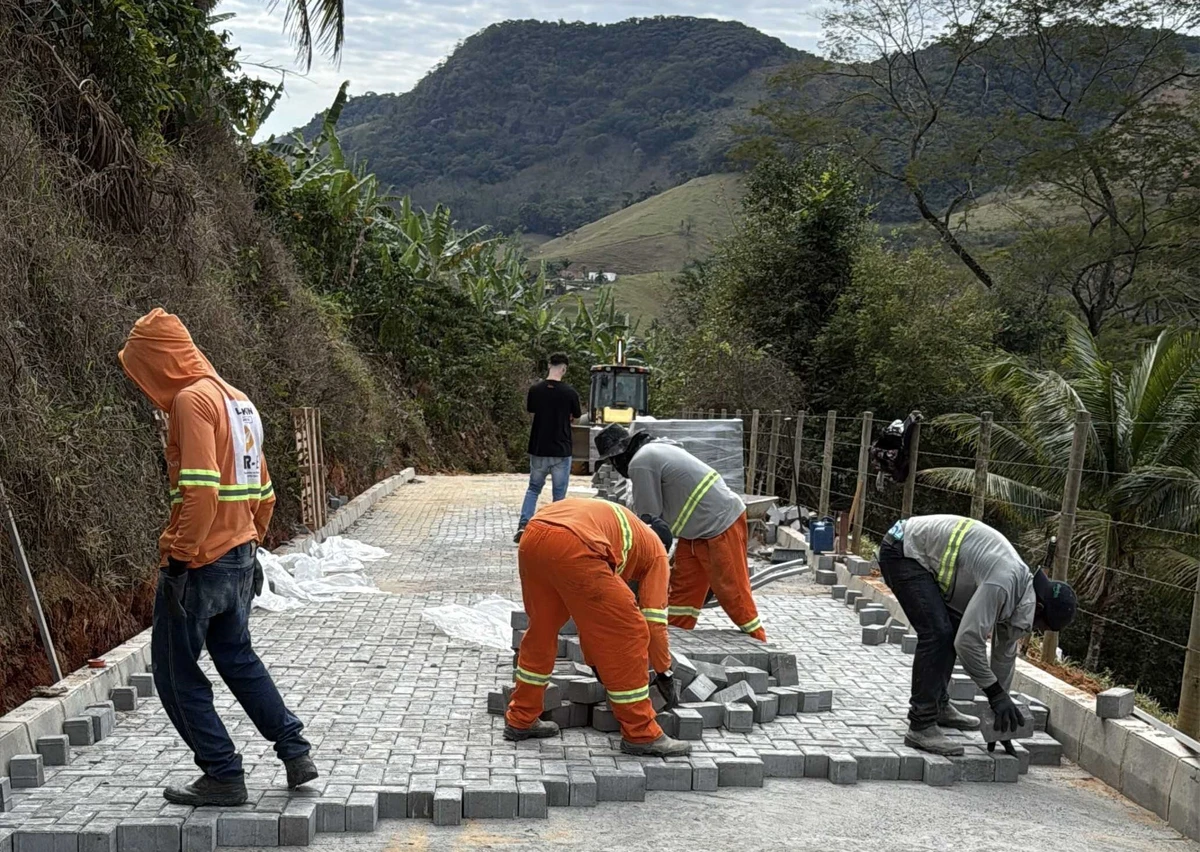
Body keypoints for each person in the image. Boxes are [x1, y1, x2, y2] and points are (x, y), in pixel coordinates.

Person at [119, 309, 316, 806]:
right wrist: (249, 543)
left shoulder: (191, 401)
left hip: (201, 564)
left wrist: (182, 559)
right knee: (237, 656)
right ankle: (294, 750)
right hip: (240, 555)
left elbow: (201, 490)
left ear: (161, 362)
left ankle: (223, 772)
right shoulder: (237, 401)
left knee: (174, 672)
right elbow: (264, 491)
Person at [876, 514, 1078, 756]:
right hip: (904, 551)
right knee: (939, 634)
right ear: (1040, 609)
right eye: (1041, 628)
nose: (1036, 632)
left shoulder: (1021, 594)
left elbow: (1004, 656)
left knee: (950, 629)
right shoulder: (1005, 583)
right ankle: (921, 724)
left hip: (921, 556)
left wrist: (999, 723)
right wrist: (994, 695)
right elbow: (968, 641)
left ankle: (938, 705)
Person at [504, 497, 691, 757]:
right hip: (575, 543)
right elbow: (654, 624)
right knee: (631, 631)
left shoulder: (621, 529)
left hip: (534, 534)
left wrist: (596, 663)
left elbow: (592, 621)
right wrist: (664, 672)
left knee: (542, 630)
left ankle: (521, 718)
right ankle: (641, 733)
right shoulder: (657, 552)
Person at [594, 424, 766, 642]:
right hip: (697, 531)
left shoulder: (641, 462)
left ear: (619, 456)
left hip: (719, 524)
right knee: (684, 589)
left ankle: (759, 641)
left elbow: (650, 520)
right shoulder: (656, 448)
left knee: (732, 591)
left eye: (612, 461)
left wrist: (640, 566)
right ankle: (675, 642)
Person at [515, 353, 582, 543]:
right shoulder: (570, 392)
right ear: (564, 369)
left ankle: (523, 525)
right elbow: (576, 414)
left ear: (549, 366)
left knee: (533, 488)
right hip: (561, 450)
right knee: (559, 495)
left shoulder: (535, 390)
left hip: (538, 447)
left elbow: (531, 409)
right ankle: (556, 530)